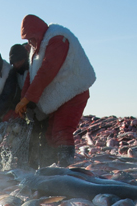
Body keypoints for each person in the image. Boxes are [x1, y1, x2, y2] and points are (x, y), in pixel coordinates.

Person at [15, 15, 96, 167]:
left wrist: (29, 98)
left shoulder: (57, 38)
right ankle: (51, 168)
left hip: (73, 92)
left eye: (32, 38)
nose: (30, 42)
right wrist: (24, 99)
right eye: (28, 39)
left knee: (61, 131)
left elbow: (47, 70)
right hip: (59, 97)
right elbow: (31, 76)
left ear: (39, 32)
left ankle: (65, 168)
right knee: (50, 135)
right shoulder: (36, 48)